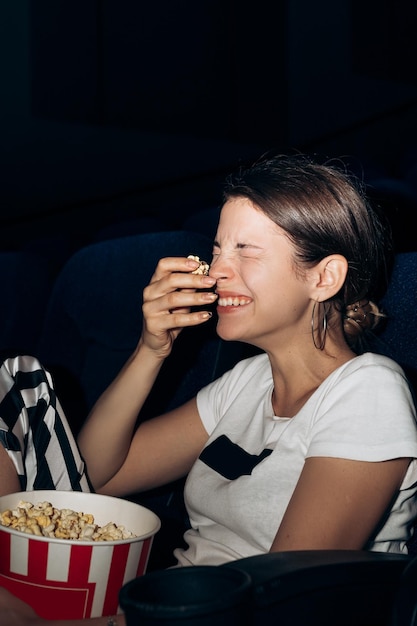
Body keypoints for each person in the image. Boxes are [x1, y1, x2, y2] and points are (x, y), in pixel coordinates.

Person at [1, 153, 417, 625]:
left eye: (246, 251)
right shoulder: (248, 381)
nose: (217, 272)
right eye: (217, 249)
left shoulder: (368, 391)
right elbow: (93, 479)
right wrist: (151, 349)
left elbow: (284, 595)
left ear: (324, 278)